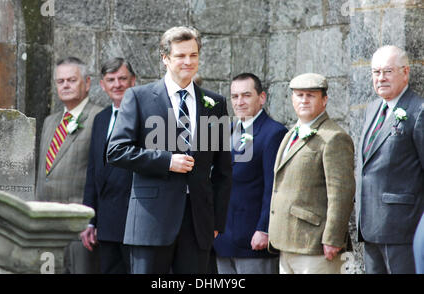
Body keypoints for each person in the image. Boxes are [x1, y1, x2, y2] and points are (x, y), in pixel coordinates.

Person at [106, 26, 232, 274]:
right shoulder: (138, 97)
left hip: (198, 223)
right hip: (151, 220)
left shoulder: (215, 103)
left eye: (193, 55)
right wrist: (166, 161)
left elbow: (223, 169)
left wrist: (216, 220)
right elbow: (116, 150)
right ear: (165, 58)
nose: (188, 61)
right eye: (181, 56)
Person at [268, 73, 355, 274]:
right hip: (286, 242)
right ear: (292, 99)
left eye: (311, 95)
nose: (304, 100)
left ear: (324, 100)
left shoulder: (334, 137)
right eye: (299, 95)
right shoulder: (290, 134)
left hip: (315, 244)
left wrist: (333, 238)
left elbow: (341, 193)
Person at [355, 45, 424, 274]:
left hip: (403, 229)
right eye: (376, 72)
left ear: (405, 73)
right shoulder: (373, 108)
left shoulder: (418, 111)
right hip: (369, 226)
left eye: (387, 71)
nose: (381, 78)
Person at [213, 73, 287, 274]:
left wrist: (264, 229)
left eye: (246, 95)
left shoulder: (274, 133)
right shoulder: (226, 132)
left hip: (254, 241)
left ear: (261, 98)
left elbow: (274, 187)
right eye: (235, 96)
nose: (239, 102)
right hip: (223, 240)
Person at [36, 56, 103, 274]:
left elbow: (102, 174)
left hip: (79, 226)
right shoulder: (50, 122)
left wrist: (94, 221)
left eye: (71, 80)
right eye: (60, 81)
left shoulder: (99, 117)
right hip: (47, 224)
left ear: (87, 83)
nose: (65, 85)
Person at [80, 58, 136, 274]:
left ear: (133, 81)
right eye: (111, 80)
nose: (117, 84)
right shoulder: (101, 119)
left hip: (135, 222)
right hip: (106, 223)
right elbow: (93, 172)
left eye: (122, 78)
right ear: (102, 85)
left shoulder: (147, 117)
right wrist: (90, 220)